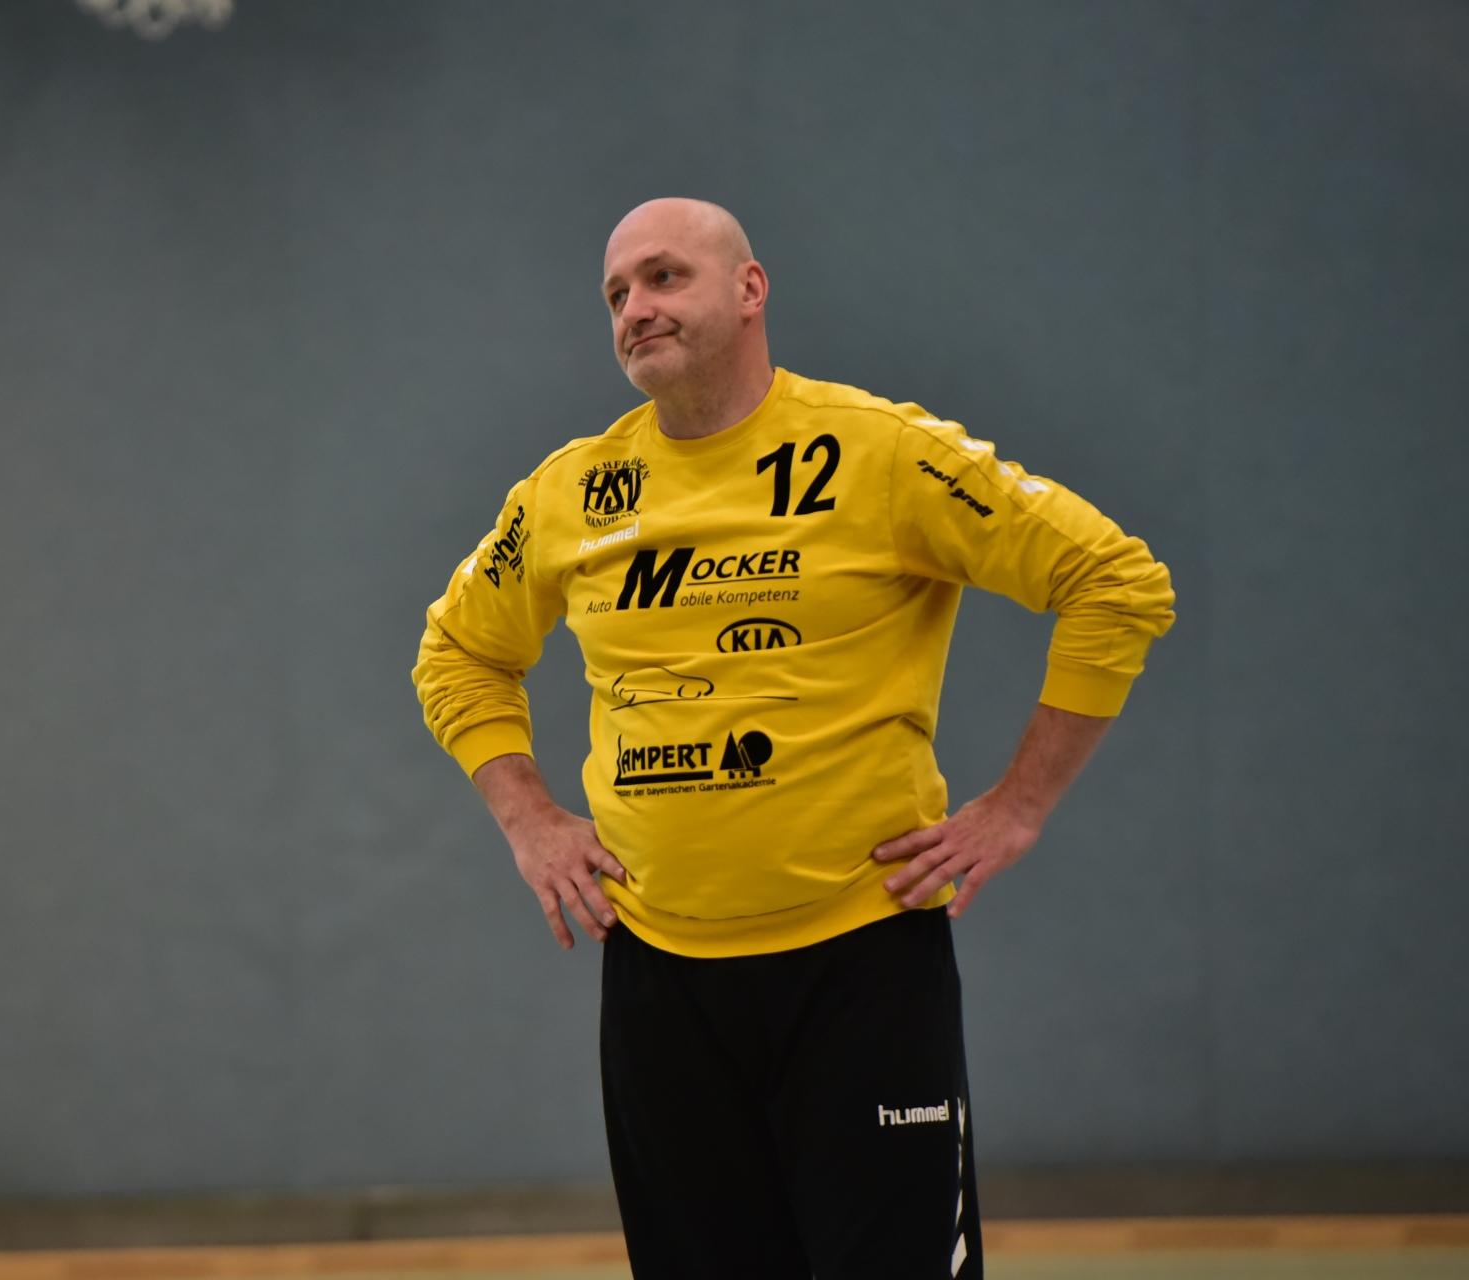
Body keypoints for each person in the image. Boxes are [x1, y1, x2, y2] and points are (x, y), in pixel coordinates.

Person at [411, 198, 1174, 1279]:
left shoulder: (880, 452)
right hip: (661, 980)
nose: (634, 308)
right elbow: (457, 652)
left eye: (664, 276)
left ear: (750, 289)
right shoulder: (571, 492)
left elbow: (1115, 582)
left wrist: (1018, 806)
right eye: (616, 293)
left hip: (862, 966)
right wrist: (528, 819)